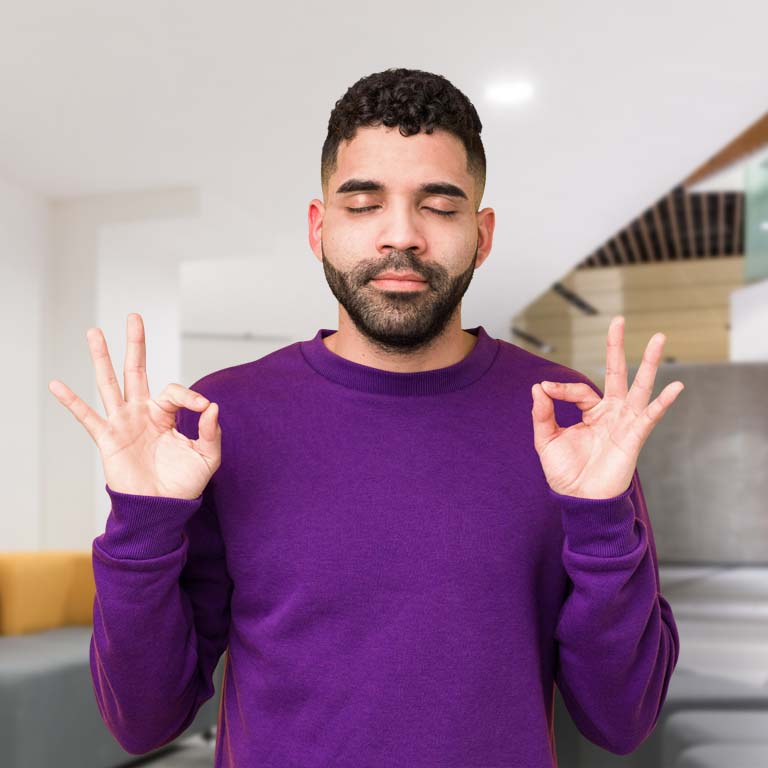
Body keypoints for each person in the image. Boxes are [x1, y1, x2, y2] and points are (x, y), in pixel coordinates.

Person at [48, 67, 683, 767]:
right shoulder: (221, 417)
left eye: (439, 205)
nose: (400, 236)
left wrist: (601, 524)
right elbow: (143, 720)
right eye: (363, 203)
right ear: (319, 227)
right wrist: (142, 522)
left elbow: (622, 720)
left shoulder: (570, 418)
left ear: (483, 231)